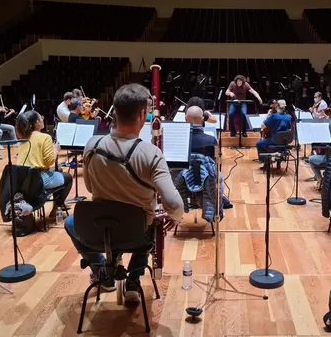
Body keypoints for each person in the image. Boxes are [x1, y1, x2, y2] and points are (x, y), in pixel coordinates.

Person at [65, 84, 184, 301]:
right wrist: (174, 218)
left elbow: (90, 188)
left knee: (70, 223)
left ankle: (101, 268)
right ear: (142, 114)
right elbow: (175, 205)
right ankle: (133, 279)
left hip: (97, 232)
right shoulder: (151, 153)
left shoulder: (92, 145)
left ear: (115, 111)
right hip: (136, 235)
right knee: (150, 220)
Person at [15, 111, 73, 219]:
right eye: (41, 117)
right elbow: (49, 162)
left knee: (58, 170)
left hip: (22, 179)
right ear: (37, 123)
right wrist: (55, 149)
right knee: (68, 177)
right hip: (37, 179)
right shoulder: (44, 137)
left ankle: (57, 203)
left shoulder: (23, 137)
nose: (42, 119)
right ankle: (57, 207)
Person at [185, 106, 233, 209]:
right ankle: (217, 199)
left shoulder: (178, 139)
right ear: (202, 120)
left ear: (185, 119)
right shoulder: (211, 140)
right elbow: (217, 164)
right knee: (218, 175)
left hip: (182, 184)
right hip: (206, 183)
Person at [256, 100, 292, 167]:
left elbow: (262, 126)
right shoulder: (289, 117)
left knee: (258, 144)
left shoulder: (273, 116)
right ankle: (280, 154)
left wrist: (267, 115)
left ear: (277, 106)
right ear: (284, 107)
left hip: (274, 140)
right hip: (284, 142)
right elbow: (289, 130)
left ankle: (265, 161)